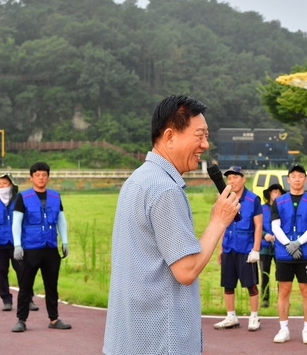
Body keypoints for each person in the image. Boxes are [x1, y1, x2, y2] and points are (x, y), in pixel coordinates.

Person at [103, 95, 240, 355]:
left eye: (206, 135)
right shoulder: (165, 189)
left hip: (130, 337)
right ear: (169, 137)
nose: (205, 144)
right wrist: (218, 220)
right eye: (199, 135)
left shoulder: (139, 179)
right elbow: (186, 270)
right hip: (160, 340)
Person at [11, 162, 71, 333]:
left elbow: (61, 220)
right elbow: (16, 223)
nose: (41, 178)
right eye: (37, 175)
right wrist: (17, 244)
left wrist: (64, 242)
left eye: (44, 175)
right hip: (30, 247)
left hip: (50, 247)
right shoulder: (23, 197)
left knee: (51, 285)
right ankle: (21, 320)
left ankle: (54, 319)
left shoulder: (55, 196)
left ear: (48, 177)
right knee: (26, 285)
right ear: (31, 177)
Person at [271, 165, 307, 345]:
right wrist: (288, 244)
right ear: (288, 179)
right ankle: (283, 328)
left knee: (306, 291)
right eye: (293, 176)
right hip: (284, 254)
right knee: (284, 290)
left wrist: (298, 243)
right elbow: (275, 227)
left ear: (305, 179)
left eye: (300, 176)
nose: (297, 179)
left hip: (306, 253)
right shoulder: (279, 201)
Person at [0, 173, 39, 312]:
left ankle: (28, 299)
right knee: (1, 271)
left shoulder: (19, 200)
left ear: (11, 185)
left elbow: (29, 219)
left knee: (23, 271)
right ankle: (6, 300)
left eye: (5, 183)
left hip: (18, 243)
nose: (2, 186)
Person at [213, 166, 263, 331]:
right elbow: (222, 224)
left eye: (235, 177)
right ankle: (231, 316)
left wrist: (256, 249)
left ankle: (254, 316)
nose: (232, 181)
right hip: (229, 246)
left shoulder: (253, 199)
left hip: (246, 247)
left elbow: (258, 226)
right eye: (229, 178)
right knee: (228, 284)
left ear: (243, 178)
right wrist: (221, 248)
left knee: (251, 284)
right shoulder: (225, 198)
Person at [259, 183, 285, 309]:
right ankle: (265, 298)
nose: (277, 195)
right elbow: (256, 226)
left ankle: (282, 297)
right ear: (269, 193)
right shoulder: (262, 209)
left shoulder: (284, 208)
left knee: (281, 273)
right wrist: (265, 235)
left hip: (280, 247)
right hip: (264, 246)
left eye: (279, 193)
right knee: (265, 274)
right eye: (275, 192)